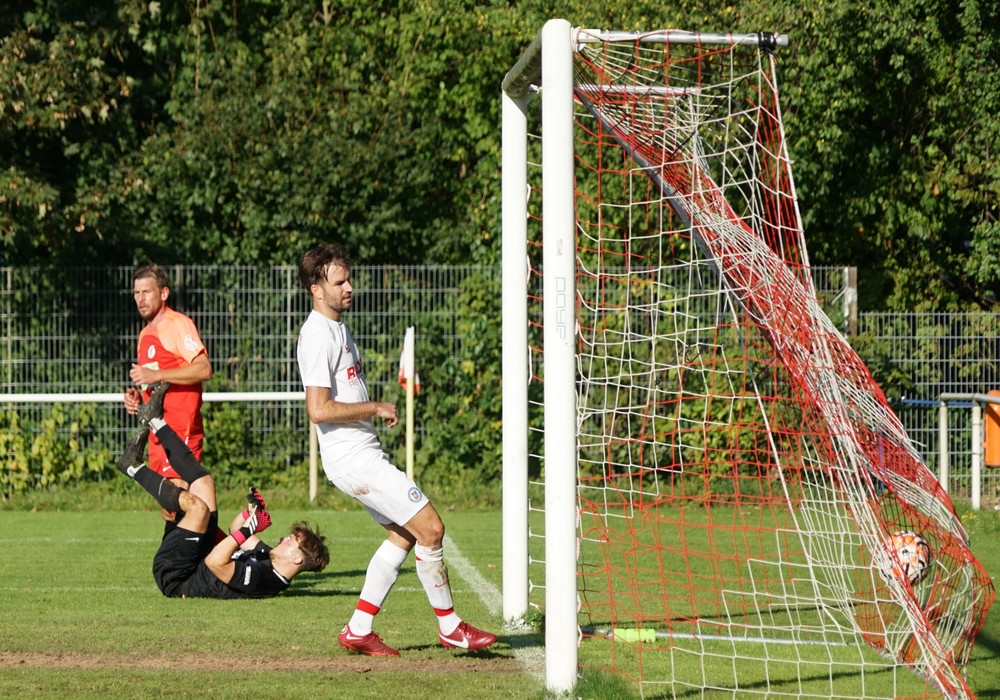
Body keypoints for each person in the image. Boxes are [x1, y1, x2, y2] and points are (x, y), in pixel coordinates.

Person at [295, 243, 497, 657]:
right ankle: (451, 627)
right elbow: (318, 410)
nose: (349, 287)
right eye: (340, 281)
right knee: (432, 529)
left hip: (362, 455)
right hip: (354, 459)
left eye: (349, 278)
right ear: (317, 289)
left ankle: (358, 628)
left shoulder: (338, 328)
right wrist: (375, 406)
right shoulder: (316, 335)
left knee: (404, 535)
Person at [115, 384, 330, 598]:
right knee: (205, 483)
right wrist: (250, 514)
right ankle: (154, 418)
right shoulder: (268, 555)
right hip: (193, 557)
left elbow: (214, 561)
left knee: (198, 509)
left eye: (291, 541)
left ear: (297, 559)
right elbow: (235, 527)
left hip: (176, 576)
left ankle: (132, 467)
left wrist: (248, 530)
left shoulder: (266, 580)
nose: (284, 538)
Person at [123, 264, 214, 522]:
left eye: (146, 292)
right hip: (157, 430)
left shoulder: (178, 324)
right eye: (136, 293)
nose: (140, 299)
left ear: (163, 293)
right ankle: (224, 554)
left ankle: (214, 556)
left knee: (178, 501)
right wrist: (137, 398)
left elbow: (204, 368)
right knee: (169, 507)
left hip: (180, 428)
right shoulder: (144, 335)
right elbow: (153, 386)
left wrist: (156, 375)